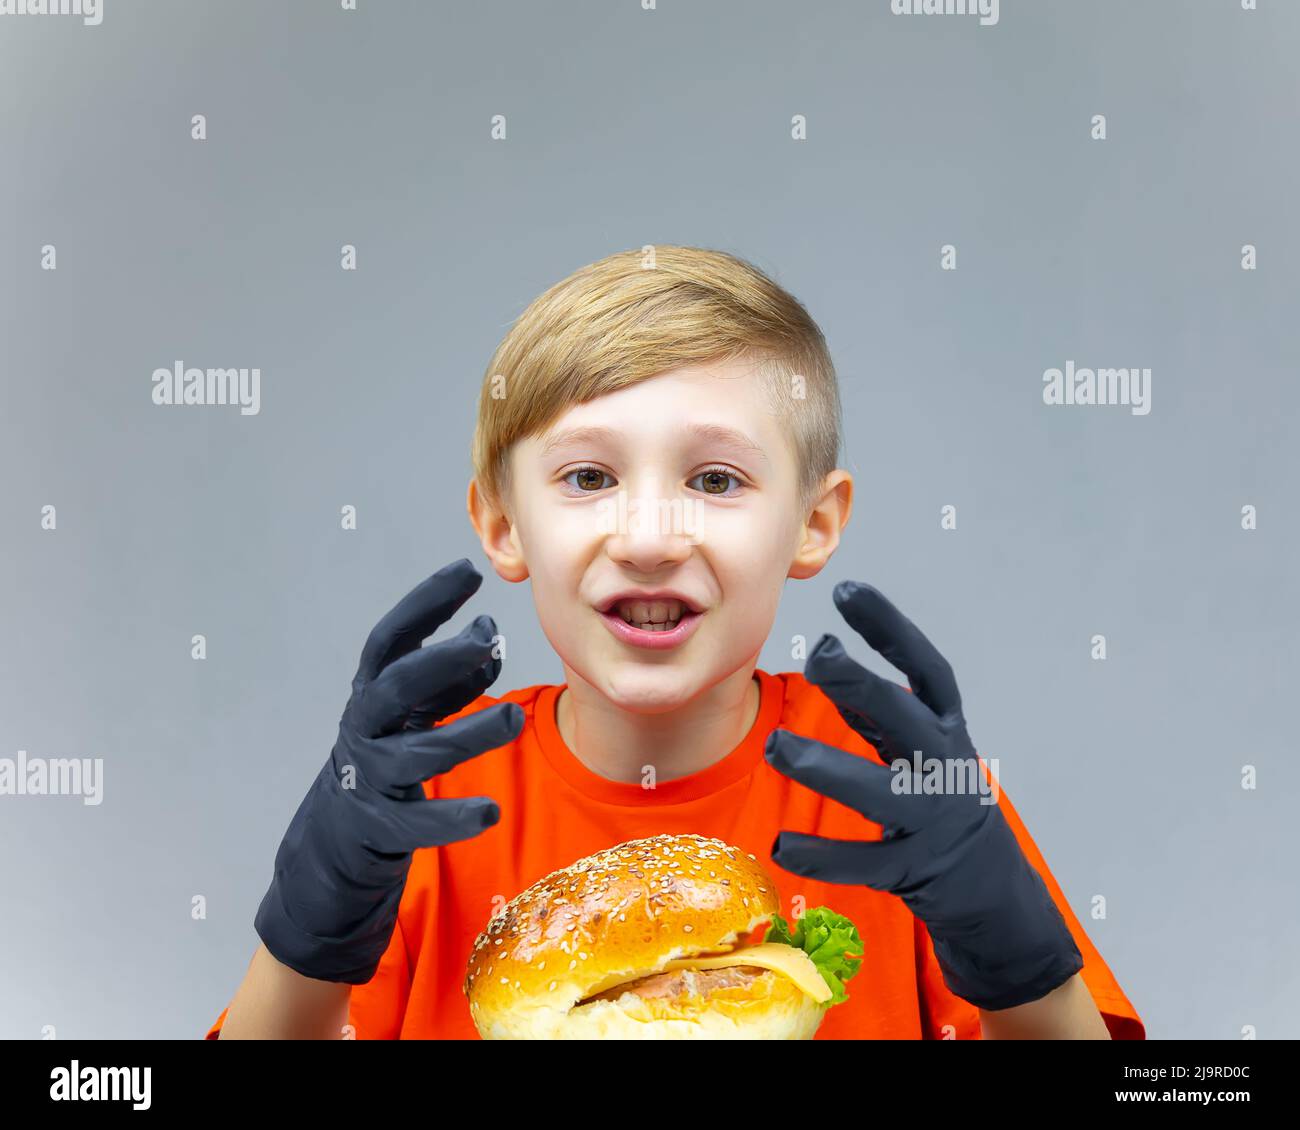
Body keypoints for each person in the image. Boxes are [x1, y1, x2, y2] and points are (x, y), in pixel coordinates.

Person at [205, 246, 1144, 1039]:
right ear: (503, 527)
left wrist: (1018, 959)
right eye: (586, 475)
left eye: (717, 479)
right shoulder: (420, 802)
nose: (650, 535)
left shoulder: (897, 790)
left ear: (814, 525)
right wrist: (307, 940)